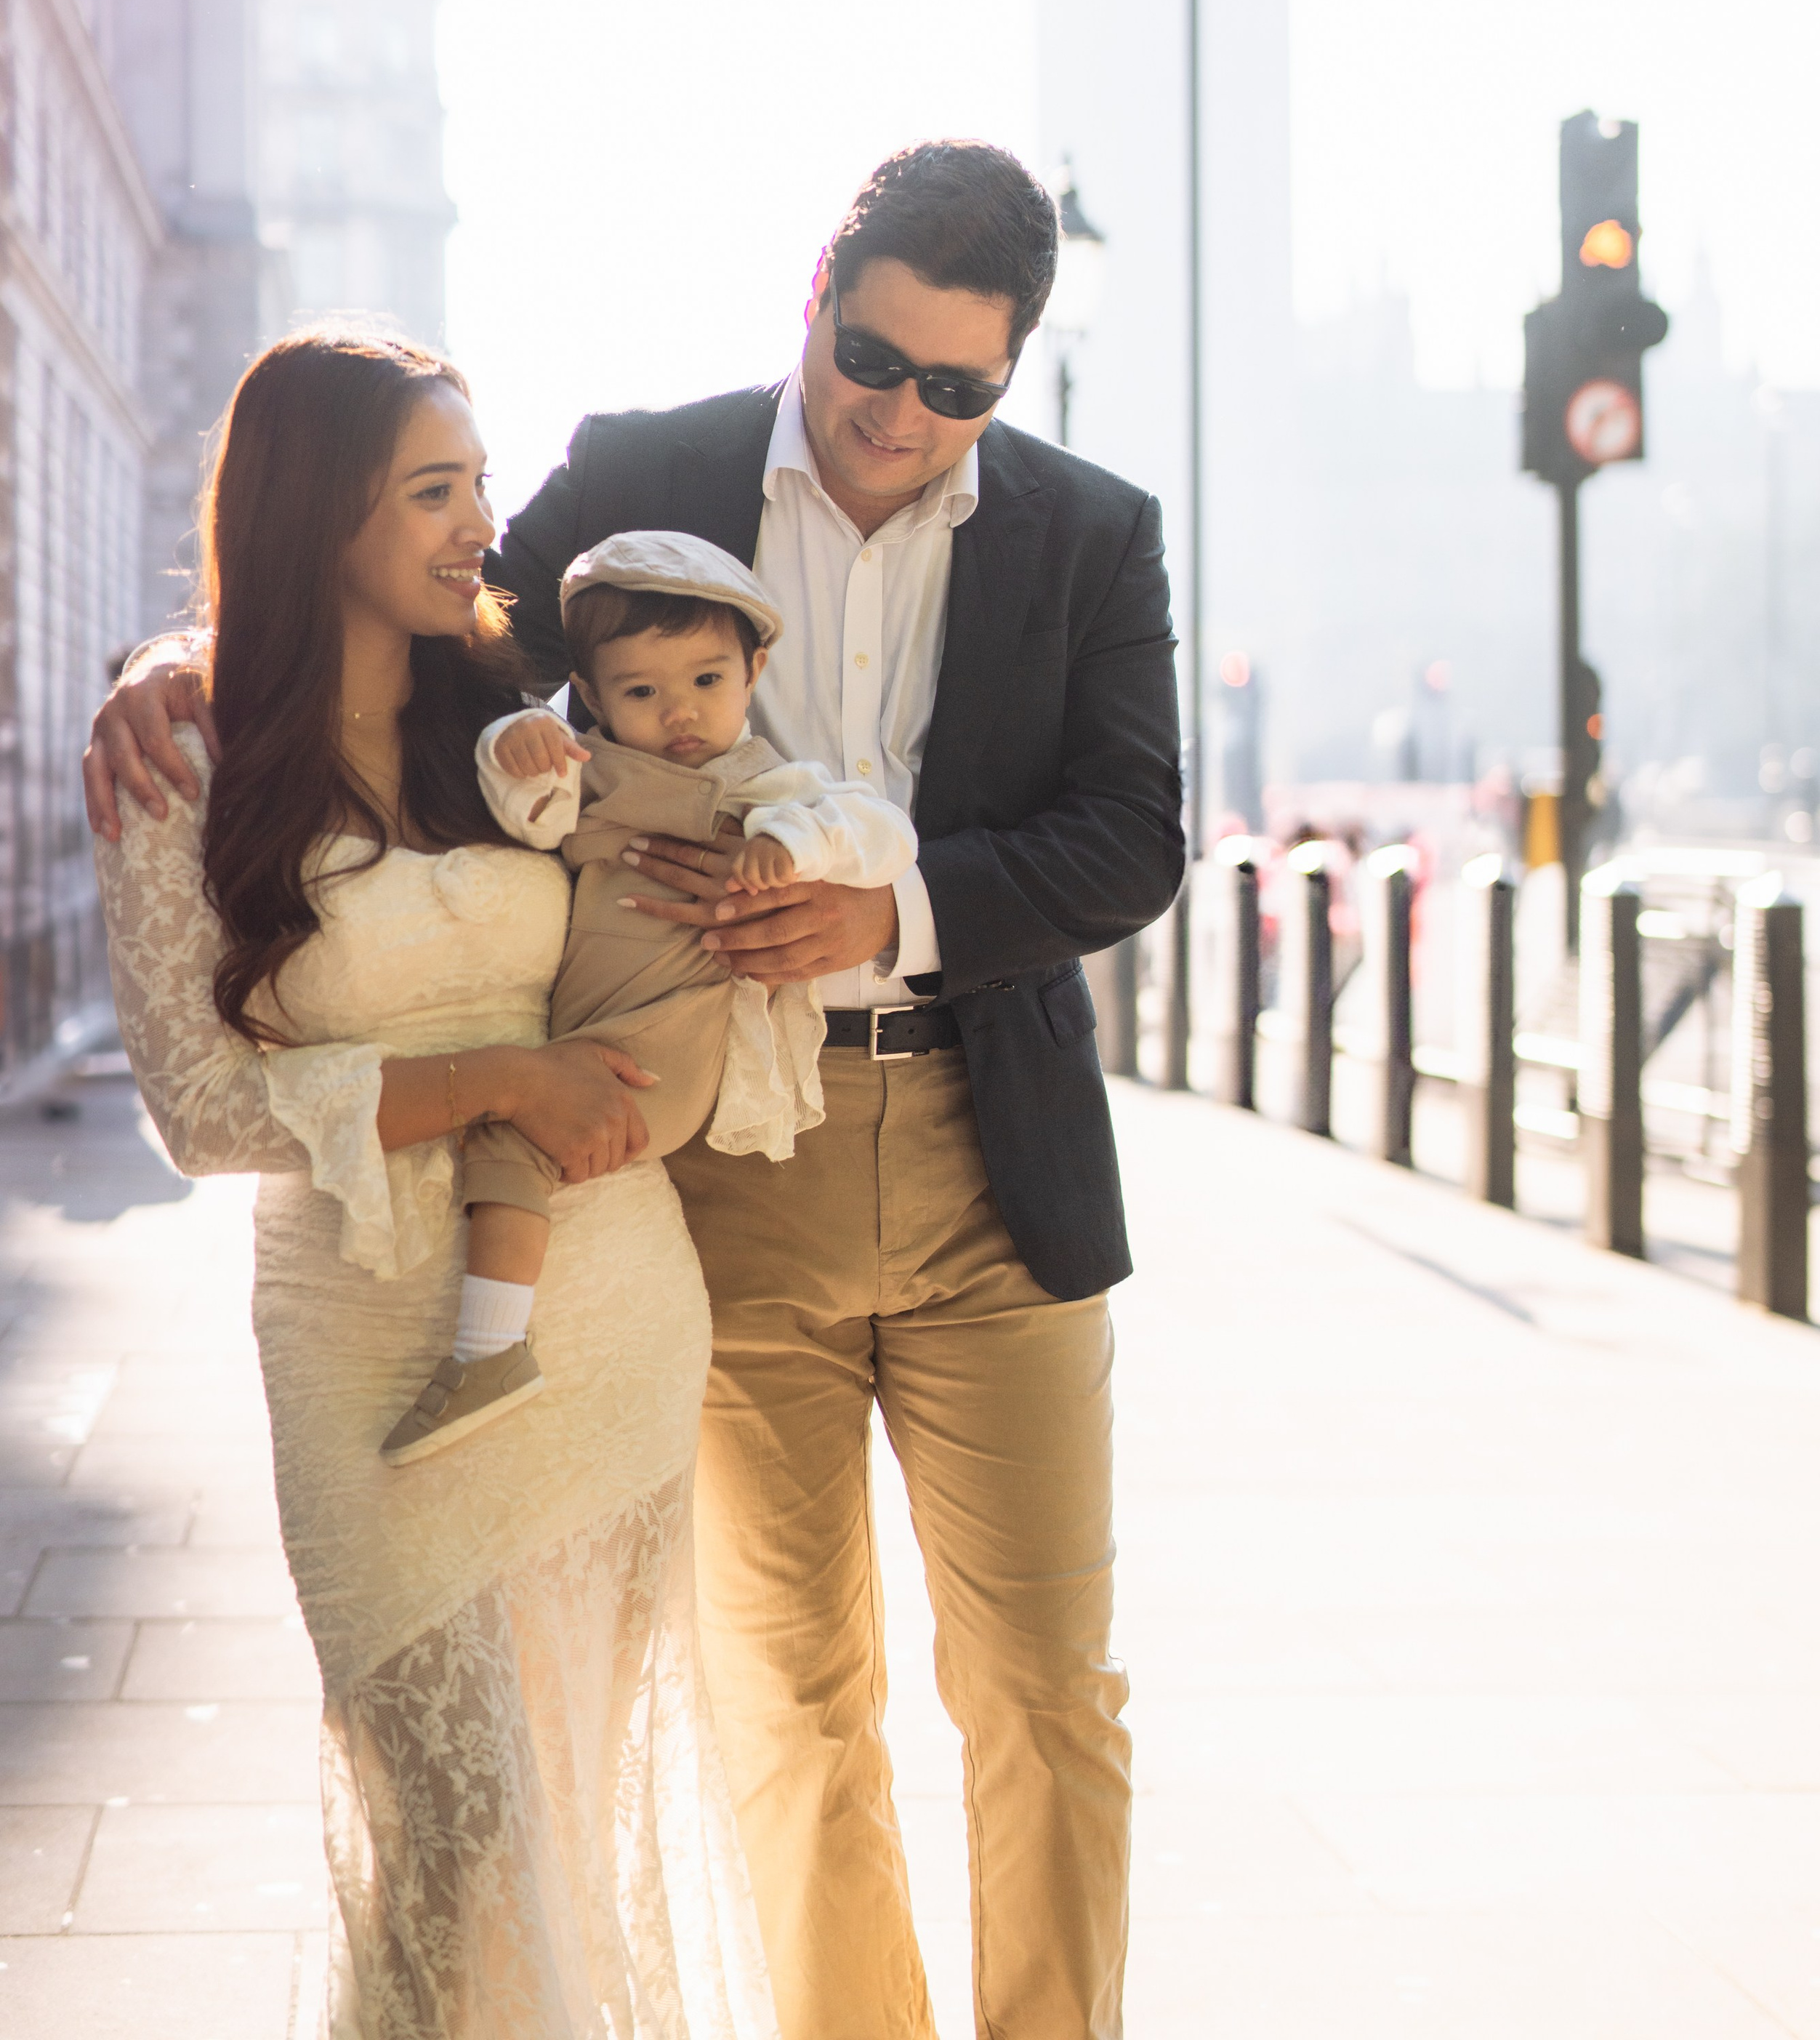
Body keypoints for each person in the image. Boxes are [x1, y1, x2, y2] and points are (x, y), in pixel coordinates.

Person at [85, 139, 1185, 2040]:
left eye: (959, 389)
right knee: (791, 1702)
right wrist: (180, 660)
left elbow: (1134, 835)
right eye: (874, 358)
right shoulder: (645, 476)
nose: (902, 413)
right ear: (816, 303)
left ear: (1006, 378)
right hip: (700, 1173)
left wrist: (887, 911)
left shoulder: (1089, 534)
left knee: (1042, 1690)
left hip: (984, 1160)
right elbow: (399, 604)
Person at [88, 331, 773, 2040]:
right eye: (435, 491)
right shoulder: (182, 756)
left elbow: (720, 747)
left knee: (570, 1822)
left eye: (478, 481)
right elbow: (196, 1109)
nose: (483, 526)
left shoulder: (519, 716)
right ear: (324, 512)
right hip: (360, 1343)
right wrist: (494, 1080)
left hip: (604, 1314)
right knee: (453, 1836)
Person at [382, 529, 918, 1465]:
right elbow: (529, 818)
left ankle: (488, 1350)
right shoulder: (591, 774)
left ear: (753, 672)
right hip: (592, 1020)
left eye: (708, 682)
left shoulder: (765, 787)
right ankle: (497, 1346)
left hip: (666, 1038)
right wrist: (522, 745)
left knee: (517, 1140)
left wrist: (793, 846)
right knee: (518, 1132)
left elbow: (879, 830)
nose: (681, 714)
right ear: (589, 695)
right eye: (642, 692)